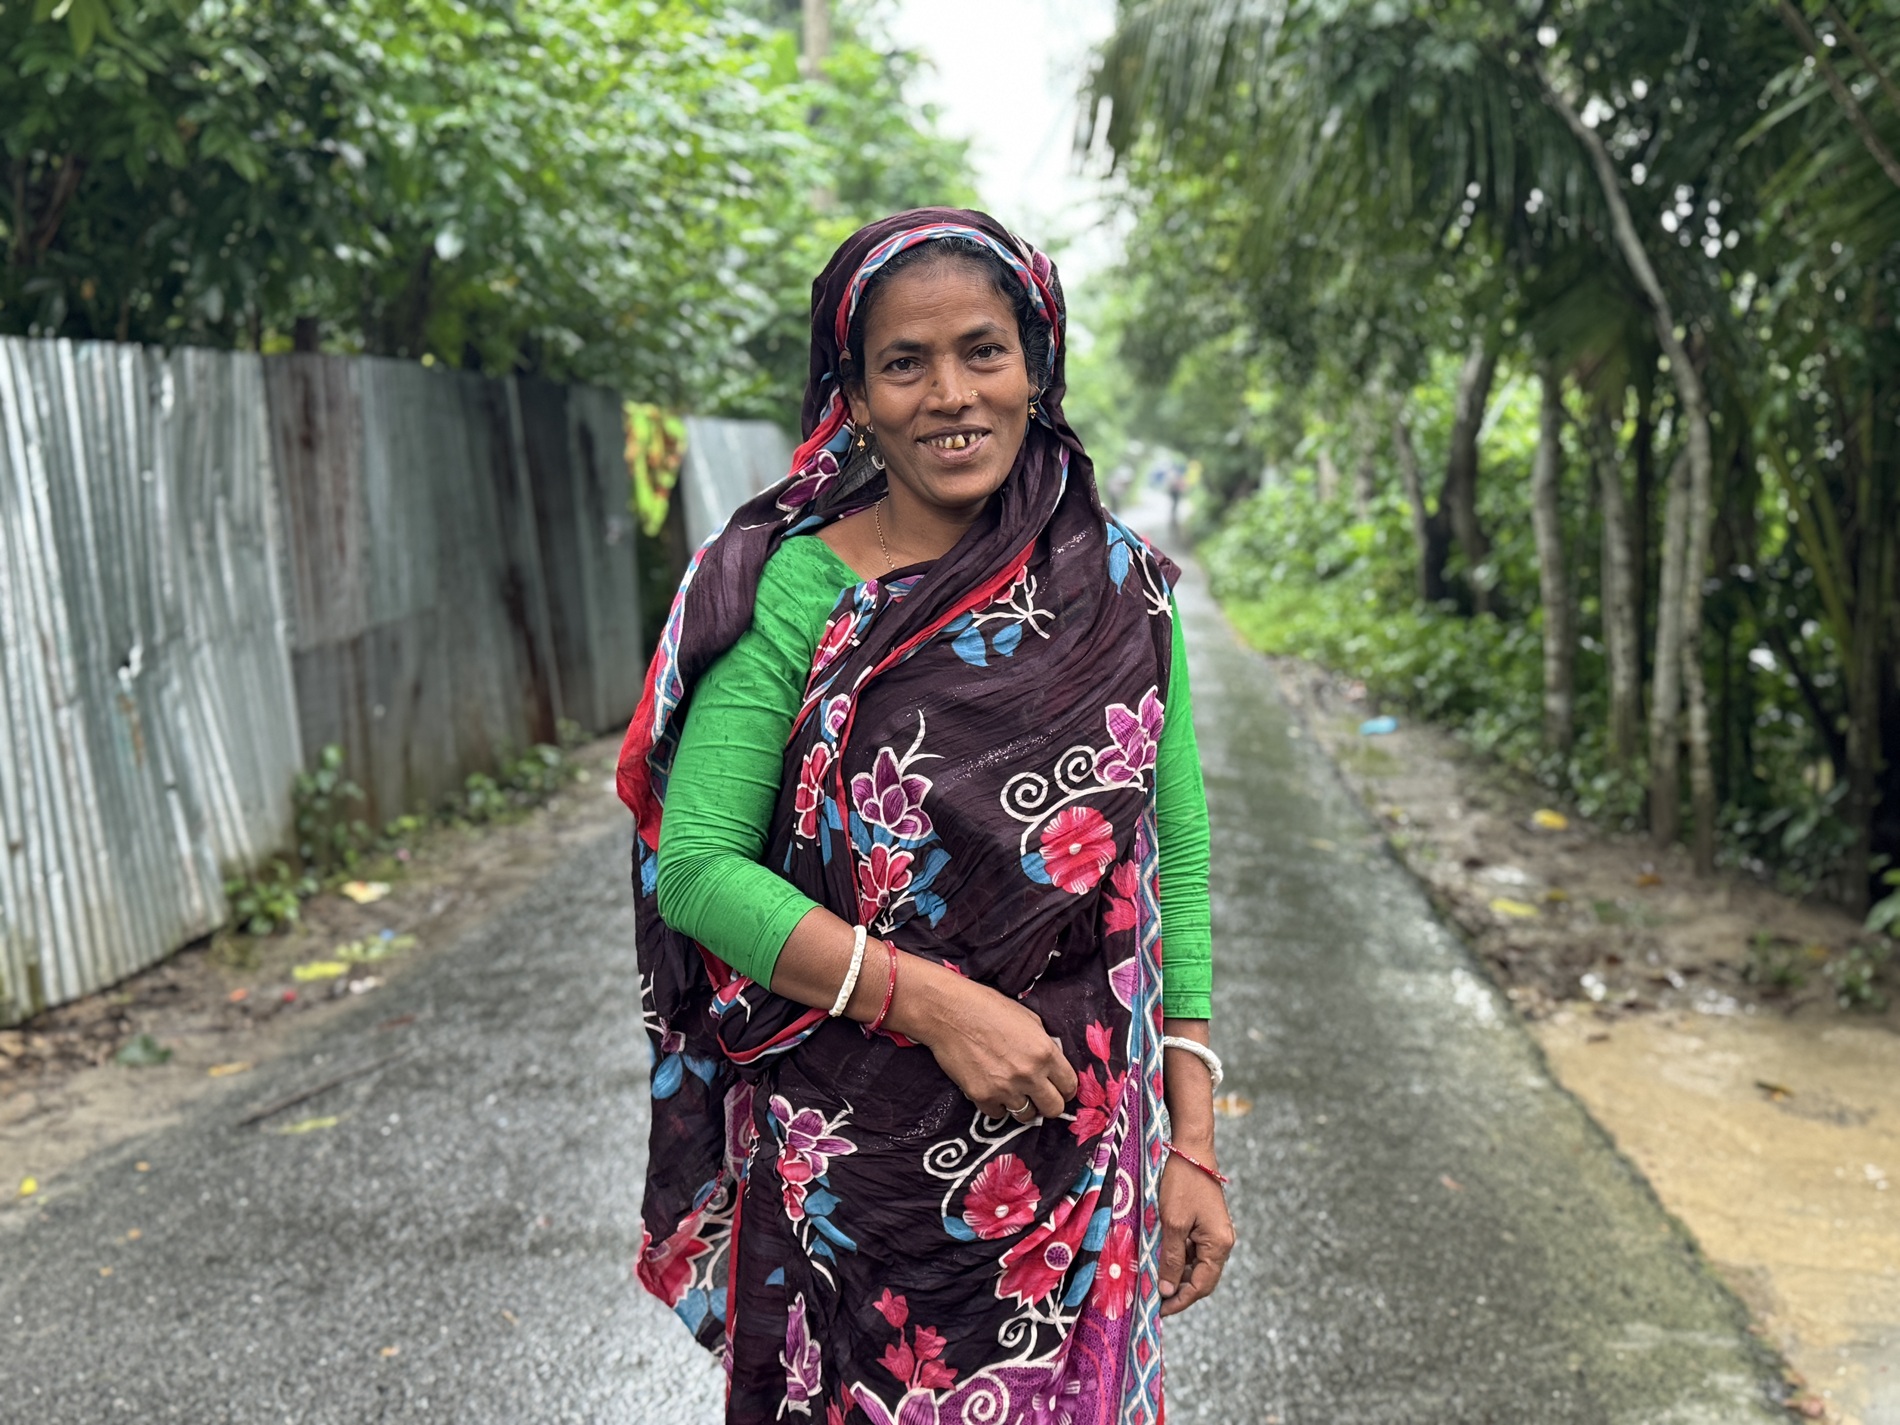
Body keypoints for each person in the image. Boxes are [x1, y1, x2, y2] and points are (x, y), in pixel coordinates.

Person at [616, 209, 1232, 1425]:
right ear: (853, 391)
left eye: (982, 351)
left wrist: (1194, 1142)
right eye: (905, 363)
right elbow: (695, 869)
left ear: (1034, 365)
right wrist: (941, 1007)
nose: (951, 394)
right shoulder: (787, 584)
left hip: (1077, 1148)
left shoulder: (1123, 589)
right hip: (858, 1174)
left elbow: (1177, 863)